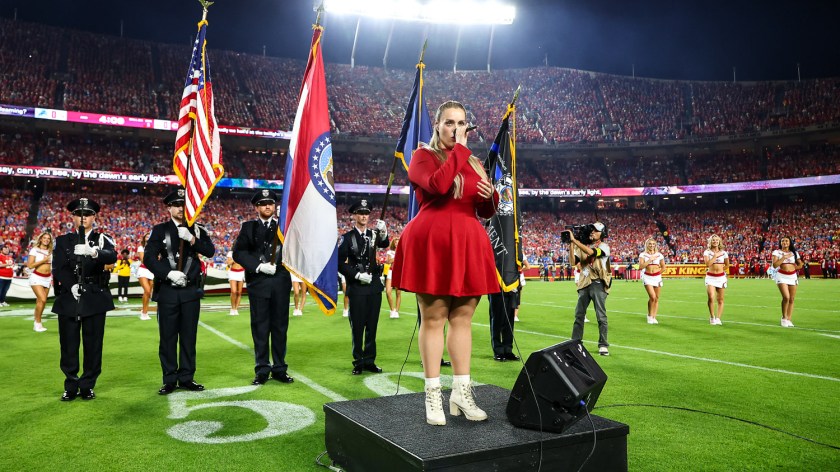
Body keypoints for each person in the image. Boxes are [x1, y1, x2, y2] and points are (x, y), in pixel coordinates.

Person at [390, 100, 499, 426]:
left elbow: (485, 211)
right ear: (437, 125)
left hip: (468, 238)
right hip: (433, 239)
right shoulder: (422, 156)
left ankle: (460, 392)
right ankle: (433, 394)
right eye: (450, 122)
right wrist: (461, 153)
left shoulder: (474, 161)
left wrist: (489, 193)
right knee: (434, 317)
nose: (456, 129)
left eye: (462, 123)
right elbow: (436, 186)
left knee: (463, 318)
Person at [144, 188, 215, 395]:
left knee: (188, 337)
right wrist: (167, 273)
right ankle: (169, 379)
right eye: (176, 205)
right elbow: (149, 257)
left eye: (183, 205)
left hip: (191, 291)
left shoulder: (198, 229)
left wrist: (192, 239)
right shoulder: (160, 230)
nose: (180, 209)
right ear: (169, 208)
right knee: (167, 338)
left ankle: (187, 377)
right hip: (167, 290)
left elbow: (210, 252)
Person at [51, 198, 117, 401]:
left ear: (94, 217)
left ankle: (88, 384)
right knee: (69, 344)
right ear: (72, 217)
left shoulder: (102, 238)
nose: (83, 218)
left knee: (93, 344)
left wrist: (93, 251)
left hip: (95, 295)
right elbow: (59, 267)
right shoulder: (63, 241)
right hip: (70, 296)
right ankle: (71, 384)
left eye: (87, 215)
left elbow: (111, 256)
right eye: (79, 215)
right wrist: (71, 285)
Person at [232, 189, 294, 385]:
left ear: (275, 206)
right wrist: (258, 266)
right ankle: (262, 369)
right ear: (256, 207)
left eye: (271, 203)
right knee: (260, 328)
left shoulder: (284, 227)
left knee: (279, 328)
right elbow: (238, 253)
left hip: (280, 282)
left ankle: (279, 368)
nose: (268, 206)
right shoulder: (248, 227)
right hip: (259, 283)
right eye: (263, 203)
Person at [338, 199, 390, 376]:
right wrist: (356, 275)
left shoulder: (374, 235)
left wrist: (383, 232)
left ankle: (369, 360)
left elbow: (384, 244)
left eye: (366, 213)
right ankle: (358, 361)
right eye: (360, 213)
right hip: (358, 287)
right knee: (358, 327)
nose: (363, 216)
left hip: (373, 287)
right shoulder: (346, 238)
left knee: (372, 326)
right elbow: (338, 263)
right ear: (354, 216)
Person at [569, 222, 612, 356]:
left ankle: (603, 344)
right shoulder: (581, 246)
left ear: (602, 234)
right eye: (591, 230)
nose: (592, 232)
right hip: (584, 283)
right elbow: (572, 262)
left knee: (600, 315)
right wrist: (571, 244)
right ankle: (575, 342)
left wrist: (574, 241)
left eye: (596, 230)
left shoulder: (604, 246)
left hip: (598, 283)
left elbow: (591, 252)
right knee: (579, 315)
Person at [772, 236, 804, 328]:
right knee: (786, 297)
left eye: (786, 240)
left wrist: (794, 268)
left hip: (792, 276)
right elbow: (775, 265)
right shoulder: (776, 252)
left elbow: (800, 264)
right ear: (780, 243)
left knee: (792, 299)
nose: (785, 242)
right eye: (783, 241)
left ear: (790, 242)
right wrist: (784, 257)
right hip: (781, 276)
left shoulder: (794, 253)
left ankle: (789, 319)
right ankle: (784, 317)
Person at [28, 231, 54, 332]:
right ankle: (37, 323)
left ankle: (38, 322)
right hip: (36, 277)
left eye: (48, 239)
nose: (46, 240)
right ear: (41, 239)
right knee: (42, 299)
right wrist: (43, 261)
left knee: (41, 302)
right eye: (44, 238)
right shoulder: (35, 250)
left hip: (47, 278)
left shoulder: (51, 251)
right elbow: (30, 265)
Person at [703, 234, 730, 325]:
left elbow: (727, 265)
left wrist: (721, 270)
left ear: (719, 242)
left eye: (717, 240)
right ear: (710, 242)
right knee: (711, 296)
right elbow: (707, 264)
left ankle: (718, 318)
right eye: (713, 240)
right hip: (710, 277)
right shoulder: (707, 252)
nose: (715, 241)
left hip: (721, 277)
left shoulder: (724, 253)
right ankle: (712, 317)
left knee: (720, 299)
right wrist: (715, 256)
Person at [638, 238, 665, 324]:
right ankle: (649, 315)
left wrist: (657, 274)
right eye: (650, 244)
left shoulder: (659, 255)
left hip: (657, 277)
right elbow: (640, 267)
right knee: (652, 297)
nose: (652, 245)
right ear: (647, 245)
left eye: (653, 244)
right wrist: (650, 259)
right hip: (647, 277)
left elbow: (663, 267)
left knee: (656, 298)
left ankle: (654, 317)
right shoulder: (643, 255)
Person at [136, 234, 154, 320]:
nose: (148, 238)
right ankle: (144, 313)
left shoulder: (155, 247)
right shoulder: (141, 248)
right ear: (144, 239)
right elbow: (143, 260)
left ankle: (145, 312)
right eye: (147, 237)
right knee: (147, 290)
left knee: (149, 292)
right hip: (143, 270)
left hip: (152, 270)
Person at [384, 237, 401, 319]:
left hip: (399, 272)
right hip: (390, 272)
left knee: (398, 293)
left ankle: (396, 311)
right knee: (388, 291)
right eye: (395, 242)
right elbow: (388, 261)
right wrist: (397, 256)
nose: (397, 243)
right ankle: (392, 310)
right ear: (393, 243)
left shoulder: (403, 251)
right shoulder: (390, 252)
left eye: (398, 242)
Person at [226, 249, 244, 316]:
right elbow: (228, 263)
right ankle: (232, 308)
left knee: (239, 292)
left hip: (242, 272)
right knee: (233, 291)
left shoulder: (243, 252)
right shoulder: (230, 253)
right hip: (233, 272)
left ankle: (236, 309)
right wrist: (234, 259)